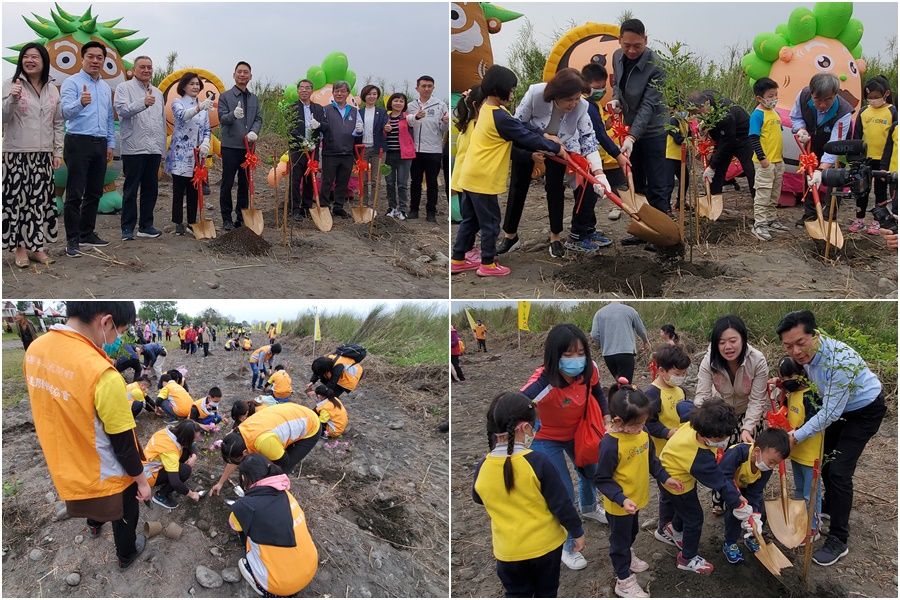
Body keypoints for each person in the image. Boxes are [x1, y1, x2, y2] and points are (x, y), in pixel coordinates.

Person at [24, 301, 151, 568]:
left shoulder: (36, 350)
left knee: (86, 493)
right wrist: (141, 482)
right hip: (102, 466)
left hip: (65, 457)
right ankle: (125, 554)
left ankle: (94, 524)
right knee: (127, 505)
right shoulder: (102, 373)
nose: (117, 340)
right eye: (119, 331)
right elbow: (124, 445)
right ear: (106, 322)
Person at [776, 310, 886, 566]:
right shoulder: (806, 356)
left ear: (815, 335)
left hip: (864, 412)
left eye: (800, 343)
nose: (795, 351)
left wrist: (796, 436)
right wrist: (784, 384)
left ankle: (839, 538)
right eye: (788, 346)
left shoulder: (838, 360)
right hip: (839, 409)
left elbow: (830, 412)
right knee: (823, 461)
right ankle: (828, 505)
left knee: (838, 472)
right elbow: (810, 382)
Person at [450, 65, 564, 277]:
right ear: (498, 90)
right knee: (491, 222)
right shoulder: (498, 117)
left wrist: (545, 135)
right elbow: (524, 137)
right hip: (483, 179)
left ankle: (458, 259)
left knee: (471, 220)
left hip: (471, 176)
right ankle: (487, 264)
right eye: (511, 90)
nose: (512, 95)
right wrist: (556, 148)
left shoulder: (490, 109)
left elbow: (521, 126)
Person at [473, 392, 585, 598]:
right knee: (546, 592)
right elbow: (561, 504)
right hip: (545, 548)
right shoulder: (538, 462)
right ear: (525, 427)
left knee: (517, 593)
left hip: (507, 552)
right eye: (534, 426)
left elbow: (478, 498)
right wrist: (577, 531)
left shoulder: (483, 466)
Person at [521, 324, 609, 571]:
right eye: (567, 354)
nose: (575, 359)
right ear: (553, 355)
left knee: (592, 472)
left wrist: (607, 417)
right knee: (563, 492)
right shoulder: (541, 383)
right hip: (546, 438)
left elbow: (598, 394)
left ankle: (590, 508)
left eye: (580, 352)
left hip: (579, 432)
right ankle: (567, 545)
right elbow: (515, 405)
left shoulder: (589, 370)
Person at [499, 68, 612, 257]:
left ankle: (555, 237)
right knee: (518, 188)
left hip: (560, 150)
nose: (573, 103)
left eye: (577, 98)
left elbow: (588, 139)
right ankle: (510, 236)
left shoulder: (582, 106)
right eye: (569, 99)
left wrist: (599, 173)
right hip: (529, 145)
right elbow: (516, 124)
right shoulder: (536, 94)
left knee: (555, 190)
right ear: (556, 95)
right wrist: (542, 137)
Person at [594, 380, 683, 598]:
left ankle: (628, 554)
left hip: (636, 500)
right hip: (620, 505)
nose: (641, 428)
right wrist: (621, 499)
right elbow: (602, 479)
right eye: (636, 424)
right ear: (617, 421)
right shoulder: (610, 444)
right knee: (619, 541)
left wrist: (665, 478)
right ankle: (623, 580)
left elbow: (652, 461)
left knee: (631, 532)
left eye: (643, 423)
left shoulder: (642, 435)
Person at [658, 398, 756, 575]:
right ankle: (687, 558)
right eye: (720, 438)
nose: (723, 441)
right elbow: (720, 482)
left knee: (684, 509)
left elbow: (683, 405)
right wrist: (739, 504)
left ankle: (675, 528)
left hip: (671, 471)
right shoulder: (700, 458)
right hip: (678, 484)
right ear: (707, 435)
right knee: (694, 518)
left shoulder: (693, 419)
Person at [695, 314, 768, 514]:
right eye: (722, 342)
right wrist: (704, 425)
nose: (728, 346)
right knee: (723, 459)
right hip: (721, 414)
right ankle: (721, 499)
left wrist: (747, 427)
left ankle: (747, 498)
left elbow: (757, 399)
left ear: (743, 339)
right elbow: (701, 395)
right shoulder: (709, 360)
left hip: (748, 414)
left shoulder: (757, 360)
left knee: (749, 459)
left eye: (733, 340)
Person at [2, 43, 63, 267]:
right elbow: (2, 118)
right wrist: (12, 99)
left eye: (35, 57)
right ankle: (20, 249)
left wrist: (57, 151)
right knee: (17, 203)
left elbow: (58, 122)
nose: (30, 60)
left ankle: (37, 247)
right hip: (16, 153)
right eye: (25, 57)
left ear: (44, 61)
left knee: (39, 202)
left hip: (43, 155)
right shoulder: (10, 84)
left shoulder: (52, 89)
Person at [228, 455, 318, 597]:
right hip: (311, 567)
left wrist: (244, 503)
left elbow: (233, 524)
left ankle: (265, 588)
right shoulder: (286, 493)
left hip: (282, 585)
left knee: (244, 552)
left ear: (244, 478)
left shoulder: (245, 506)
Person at [609, 19, 669, 233]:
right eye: (627, 45)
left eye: (637, 45)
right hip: (630, 129)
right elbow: (617, 83)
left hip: (653, 131)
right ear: (620, 41)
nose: (632, 50)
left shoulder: (657, 65)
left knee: (657, 185)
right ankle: (644, 231)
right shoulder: (617, 56)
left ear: (646, 40)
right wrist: (616, 99)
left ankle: (662, 233)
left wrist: (632, 136)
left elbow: (649, 105)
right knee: (637, 183)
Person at [59, 41, 116, 257]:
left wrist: (110, 143)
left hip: (100, 143)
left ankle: (86, 232)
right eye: (90, 57)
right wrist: (80, 103)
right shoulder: (72, 83)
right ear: (83, 59)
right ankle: (72, 240)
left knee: (94, 191)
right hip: (78, 141)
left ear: (103, 60)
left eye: (99, 57)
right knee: (75, 193)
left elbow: (110, 117)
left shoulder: (104, 87)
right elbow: (64, 112)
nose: (95, 61)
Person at [210, 403, 322, 494]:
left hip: (310, 425)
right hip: (290, 414)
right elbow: (234, 458)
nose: (239, 463)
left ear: (245, 452)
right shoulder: (239, 434)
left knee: (282, 469)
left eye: (239, 460)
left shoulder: (263, 442)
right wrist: (220, 483)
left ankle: (274, 495)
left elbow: (283, 461)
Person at [718, 428, 790, 564]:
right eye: (771, 461)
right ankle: (730, 542)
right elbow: (723, 478)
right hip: (727, 485)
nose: (772, 466)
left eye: (776, 463)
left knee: (761, 511)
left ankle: (752, 536)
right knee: (734, 514)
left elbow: (756, 492)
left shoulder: (766, 467)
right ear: (757, 451)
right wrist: (737, 502)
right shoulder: (737, 453)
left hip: (747, 486)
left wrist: (755, 515)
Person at [643, 344, 691, 548]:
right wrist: (668, 432)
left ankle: (675, 524)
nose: (681, 377)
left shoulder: (680, 390)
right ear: (661, 370)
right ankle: (664, 528)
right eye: (677, 373)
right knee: (667, 493)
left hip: (680, 452)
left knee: (679, 489)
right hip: (662, 453)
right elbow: (648, 423)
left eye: (684, 373)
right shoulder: (653, 394)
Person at [790, 73, 854, 222]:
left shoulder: (843, 112)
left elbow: (834, 146)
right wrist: (801, 130)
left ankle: (829, 217)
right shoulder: (803, 95)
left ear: (835, 95)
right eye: (817, 99)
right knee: (809, 175)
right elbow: (796, 117)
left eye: (828, 99)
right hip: (812, 140)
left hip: (837, 145)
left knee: (835, 177)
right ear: (811, 93)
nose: (822, 104)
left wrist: (821, 170)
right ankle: (811, 214)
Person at [114, 55, 165, 241]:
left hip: (153, 148)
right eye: (142, 67)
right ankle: (127, 228)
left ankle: (146, 225)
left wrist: (162, 149)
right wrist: (142, 103)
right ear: (134, 70)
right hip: (133, 147)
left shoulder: (158, 93)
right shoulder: (124, 88)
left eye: (149, 67)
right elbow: (122, 110)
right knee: (131, 188)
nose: (146, 70)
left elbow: (161, 121)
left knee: (151, 188)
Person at [777, 356, 824, 541]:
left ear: (803, 374)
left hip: (811, 455)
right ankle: (800, 521)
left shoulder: (811, 395)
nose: (786, 380)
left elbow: (812, 423)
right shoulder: (793, 393)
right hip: (795, 452)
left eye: (790, 376)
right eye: (783, 377)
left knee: (811, 492)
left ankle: (813, 527)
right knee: (798, 490)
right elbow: (785, 412)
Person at [580, 63, 631, 220]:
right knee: (586, 197)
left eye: (603, 87)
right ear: (585, 84)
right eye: (598, 87)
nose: (601, 91)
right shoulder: (585, 105)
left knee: (591, 196)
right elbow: (599, 134)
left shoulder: (594, 104)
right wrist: (618, 155)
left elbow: (600, 127)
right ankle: (581, 232)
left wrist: (608, 122)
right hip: (586, 158)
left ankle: (589, 229)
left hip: (597, 156)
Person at [165, 71, 212, 235]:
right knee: (179, 189)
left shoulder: (204, 107)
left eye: (197, 84)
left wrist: (206, 143)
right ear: (184, 86)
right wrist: (200, 107)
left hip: (197, 154)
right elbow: (182, 116)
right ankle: (178, 222)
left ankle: (192, 222)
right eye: (191, 84)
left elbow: (206, 129)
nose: (195, 86)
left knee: (194, 189)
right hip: (180, 153)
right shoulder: (178, 103)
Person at [217, 61, 262, 230]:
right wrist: (232, 115)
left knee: (245, 183)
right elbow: (222, 118)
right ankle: (226, 218)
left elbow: (258, 118)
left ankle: (241, 216)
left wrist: (254, 131)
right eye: (239, 72)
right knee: (227, 183)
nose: (242, 75)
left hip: (248, 148)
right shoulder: (225, 97)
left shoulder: (254, 98)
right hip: (230, 147)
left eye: (246, 72)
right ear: (234, 75)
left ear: (250, 76)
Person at [691, 90, 756, 204]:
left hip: (742, 136)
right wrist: (705, 125)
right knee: (716, 172)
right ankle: (713, 200)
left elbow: (726, 144)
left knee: (750, 168)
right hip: (724, 135)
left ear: (704, 104)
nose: (696, 115)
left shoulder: (725, 115)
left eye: (697, 112)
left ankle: (758, 201)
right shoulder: (707, 97)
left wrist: (712, 166)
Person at [851, 77, 896, 233]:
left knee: (880, 191)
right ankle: (859, 219)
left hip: (883, 161)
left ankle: (878, 221)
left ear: (886, 94)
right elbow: (856, 135)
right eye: (869, 97)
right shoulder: (864, 111)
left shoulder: (892, 111)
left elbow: (894, 138)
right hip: (865, 159)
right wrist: (855, 157)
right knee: (861, 189)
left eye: (876, 97)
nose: (872, 100)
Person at [746, 77, 788, 241]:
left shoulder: (774, 113)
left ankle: (771, 219)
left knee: (774, 193)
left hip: (778, 161)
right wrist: (763, 158)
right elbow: (754, 138)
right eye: (770, 95)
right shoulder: (757, 115)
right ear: (759, 98)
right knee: (763, 193)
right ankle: (759, 224)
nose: (774, 98)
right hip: (765, 163)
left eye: (775, 95)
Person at [407, 76, 450, 221]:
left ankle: (431, 212)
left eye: (429, 86)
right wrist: (416, 117)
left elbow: (443, 128)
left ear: (433, 88)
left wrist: (445, 122)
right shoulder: (411, 105)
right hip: (416, 150)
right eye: (423, 86)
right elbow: (409, 124)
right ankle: (414, 210)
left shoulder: (440, 105)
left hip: (434, 150)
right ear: (417, 88)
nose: (426, 89)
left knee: (432, 182)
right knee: (415, 181)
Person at [319, 80, 362, 218]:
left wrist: (359, 131)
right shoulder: (326, 109)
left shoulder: (354, 111)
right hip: (330, 152)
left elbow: (358, 131)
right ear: (333, 93)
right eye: (336, 91)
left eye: (343, 91)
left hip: (347, 153)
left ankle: (338, 207)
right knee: (327, 181)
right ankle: (324, 206)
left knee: (343, 182)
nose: (339, 93)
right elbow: (320, 130)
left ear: (348, 94)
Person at [142, 420, 203, 510]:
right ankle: (160, 496)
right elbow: (175, 482)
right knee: (185, 471)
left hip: (149, 463)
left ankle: (169, 475)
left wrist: (194, 456)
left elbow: (191, 445)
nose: (195, 441)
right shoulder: (170, 451)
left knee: (185, 451)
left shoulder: (169, 431)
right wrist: (192, 494)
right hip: (148, 475)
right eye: (193, 439)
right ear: (186, 438)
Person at [288, 79, 326, 220]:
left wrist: (319, 125)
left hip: (313, 149)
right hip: (297, 150)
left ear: (312, 90)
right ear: (298, 90)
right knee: (296, 179)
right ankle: (295, 209)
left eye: (307, 88)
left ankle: (307, 206)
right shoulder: (291, 108)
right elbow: (290, 129)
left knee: (311, 178)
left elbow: (326, 126)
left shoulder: (318, 109)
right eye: (302, 88)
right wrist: (303, 141)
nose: (304, 90)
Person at [589, 302, 651, 383]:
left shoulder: (599, 313)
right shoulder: (630, 311)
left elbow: (594, 334)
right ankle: (624, 395)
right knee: (625, 384)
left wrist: (603, 343)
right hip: (625, 353)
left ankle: (618, 394)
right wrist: (645, 341)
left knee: (619, 381)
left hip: (608, 355)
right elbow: (641, 330)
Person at [450, 86, 483, 228]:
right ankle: (467, 248)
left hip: (462, 175)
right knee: (472, 217)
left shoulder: (466, 124)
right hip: (470, 178)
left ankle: (465, 247)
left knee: (469, 216)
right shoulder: (474, 126)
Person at [384, 92, 416, 219]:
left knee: (402, 184)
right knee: (389, 183)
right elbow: (380, 134)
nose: (398, 103)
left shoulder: (407, 117)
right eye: (396, 100)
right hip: (388, 155)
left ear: (405, 104)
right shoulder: (385, 117)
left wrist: (418, 116)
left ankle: (403, 209)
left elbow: (415, 120)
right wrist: (384, 130)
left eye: (401, 101)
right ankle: (392, 207)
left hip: (404, 155)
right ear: (391, 103)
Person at [358, 84, 389, 206]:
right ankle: (364, 204)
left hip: (378, 149)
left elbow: (386, 126)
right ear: (364, 96)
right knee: (364, 179)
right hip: (362, 149)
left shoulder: (382, 112)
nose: (372, 96)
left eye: (374, 94)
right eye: (369, 94)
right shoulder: (358, 112)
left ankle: (374, 205)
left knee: (376, 179)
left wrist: (387, 128)